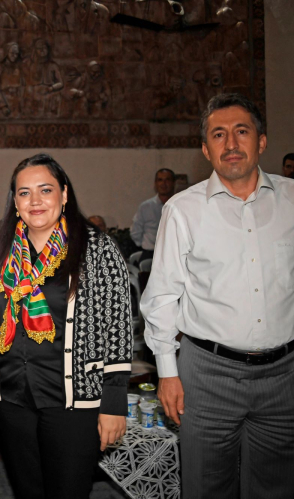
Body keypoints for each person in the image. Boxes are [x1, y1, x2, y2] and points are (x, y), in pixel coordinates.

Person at [141, 93, 294, 499]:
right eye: (219, 135)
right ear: (206, 150)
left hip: (284, 376)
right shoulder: (182, 210)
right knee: (206, 486)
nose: (231, 144)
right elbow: (161, 297)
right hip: (208, 376)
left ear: (261, 141)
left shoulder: (292, 200)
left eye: (241, 131)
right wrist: (167, 372)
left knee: (278, 487)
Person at [0, 153, 132, 498]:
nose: (35, 201)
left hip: (74, 401)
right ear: (15, 202)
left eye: (45, 190)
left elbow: (118, 326)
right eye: (24, 193)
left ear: (64, 194)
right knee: (27, 491)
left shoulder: (96, 248)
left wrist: (114, 402)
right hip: (13, 398)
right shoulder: (4, 251)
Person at [130, 168, 176, 262]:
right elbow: (135, 231)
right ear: (155, 183)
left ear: (173, 183)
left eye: (167, 180)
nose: (163, 184)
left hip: (174, 253)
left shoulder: (180, 205)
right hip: (150, 253)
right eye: (160, 180)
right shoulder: (146, 207)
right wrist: (145, 245)